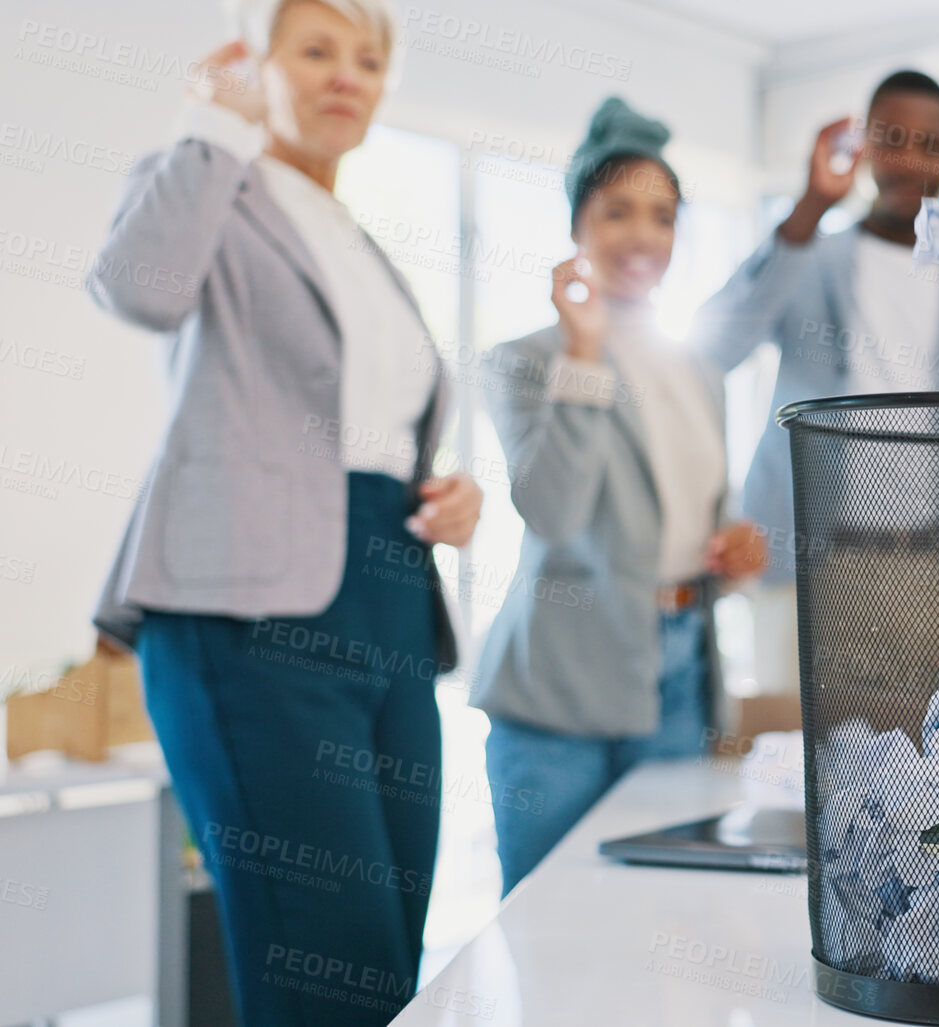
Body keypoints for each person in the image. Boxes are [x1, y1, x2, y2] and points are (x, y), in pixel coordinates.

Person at [86, 2, 482, 1022]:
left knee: (391, 962)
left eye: (369, 59)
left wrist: (446, 492)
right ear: (255, 65)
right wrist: (213, 124)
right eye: (315, 52)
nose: (348, 76)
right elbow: (138, 288)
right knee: (324, 967)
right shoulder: (213, 181)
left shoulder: (356, 241)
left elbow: (371, 425)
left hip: (388, 607)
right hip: (248, 613)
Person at [471, 97, 767, 894]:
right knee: (548, 916)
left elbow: (699, 516)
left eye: (662, 216)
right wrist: (585, 351)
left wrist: (734, 553)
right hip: (558, 685)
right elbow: (553, 510)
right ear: (578, 226)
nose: (642, 235)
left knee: (657, 911)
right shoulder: (525, 360)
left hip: (677, 672)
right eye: (618, 211)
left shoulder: (697, 367)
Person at [693, 70, 939, 727]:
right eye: (891, 138)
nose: (909, 158)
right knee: (803, 785)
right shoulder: (808, 257)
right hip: (815, 571)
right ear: (863, 146)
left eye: (928, 143)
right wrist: (806, 207)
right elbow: (712, 348)